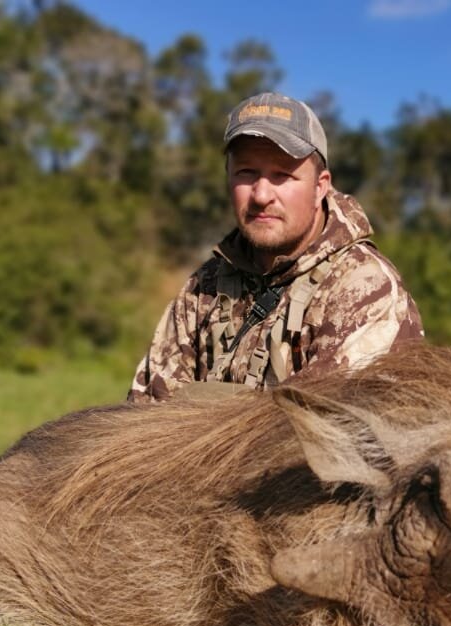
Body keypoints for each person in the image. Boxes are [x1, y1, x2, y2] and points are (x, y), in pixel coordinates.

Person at [128, 92, 423, 402]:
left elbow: (340, 435)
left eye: (282, 175)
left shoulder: (364, 289)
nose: (261, 195)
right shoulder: (204, 288)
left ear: (320, 186)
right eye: (246, 172)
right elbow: (145, 414)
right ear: (228, 176)